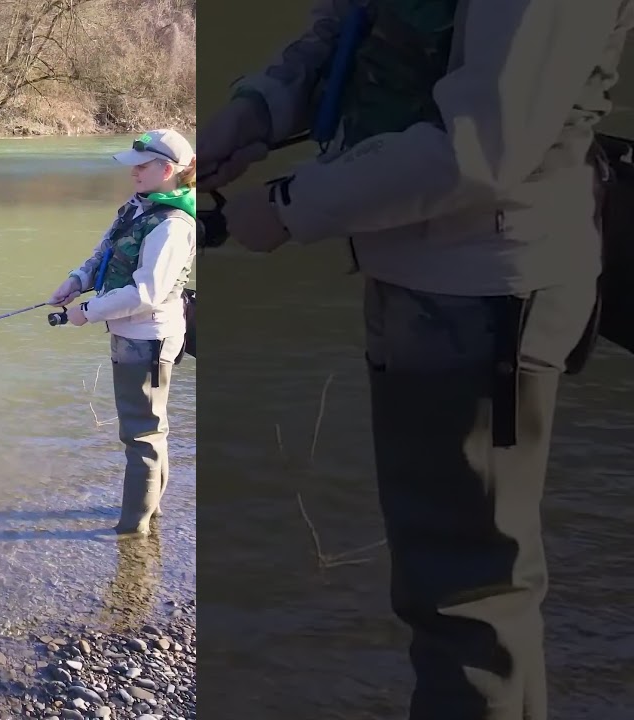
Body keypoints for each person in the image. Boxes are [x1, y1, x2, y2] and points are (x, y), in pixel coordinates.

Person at [197, 1, 634, 718]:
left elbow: (482, 146)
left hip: (489, 293)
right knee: (453, 595)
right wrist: (258, 109)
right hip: (423, 278)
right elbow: (355, 28)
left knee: (469, 598)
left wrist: (287, 204)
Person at [47, 128, 197, 537]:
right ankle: (151, 514)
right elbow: (105, 254)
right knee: (150, 428)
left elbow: (148, 292)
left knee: (141, 435)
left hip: (149, 337)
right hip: (132, 332)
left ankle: (133, 531)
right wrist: (76, 281)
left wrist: (87, 312)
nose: (132, 173)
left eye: (141, 166)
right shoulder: (137, 207)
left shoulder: (173, 226)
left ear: (167, 170)